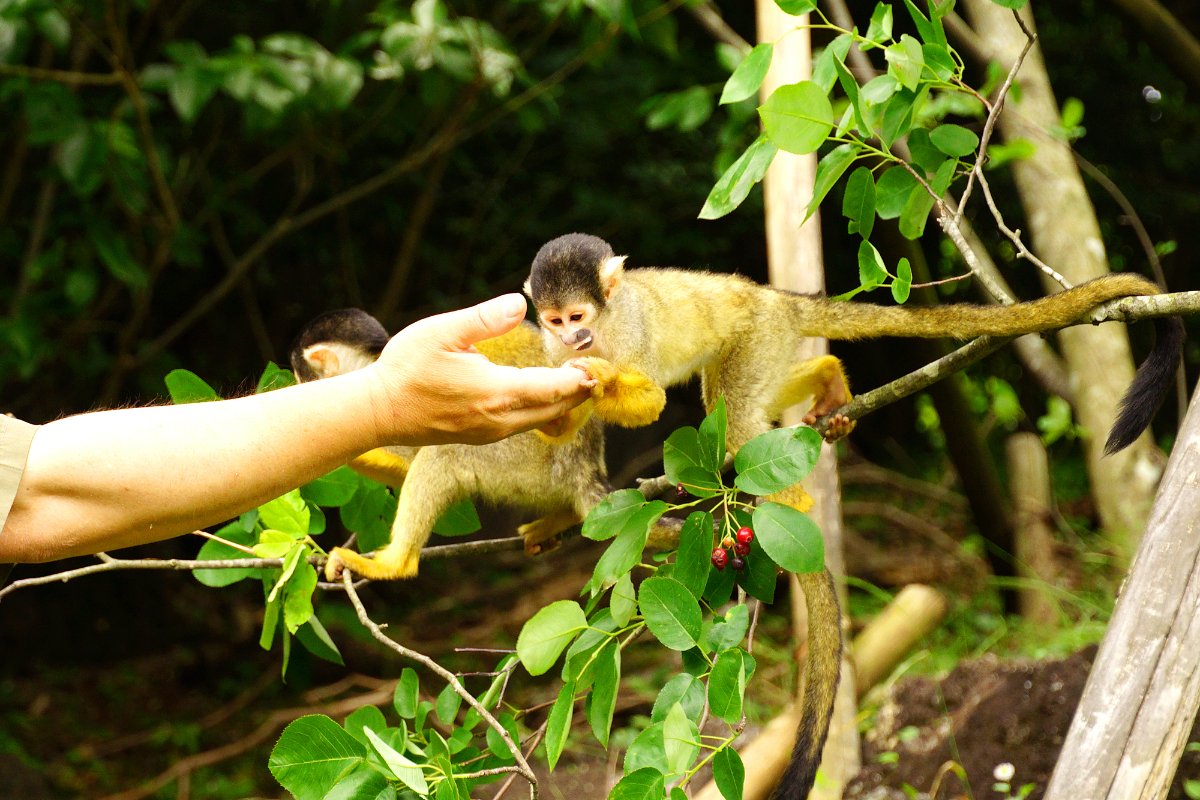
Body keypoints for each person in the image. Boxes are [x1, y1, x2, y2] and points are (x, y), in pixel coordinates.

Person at [0, 294, 593, 565]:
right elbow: (35, 497)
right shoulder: (413, 380)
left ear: (323, 363)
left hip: (548, 451)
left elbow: (34, 492)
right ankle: (572, 508)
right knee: (435, 455)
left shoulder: (432, 368)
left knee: (440, 455)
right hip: (546, 464)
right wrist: (347, 436)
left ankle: (398, 556)